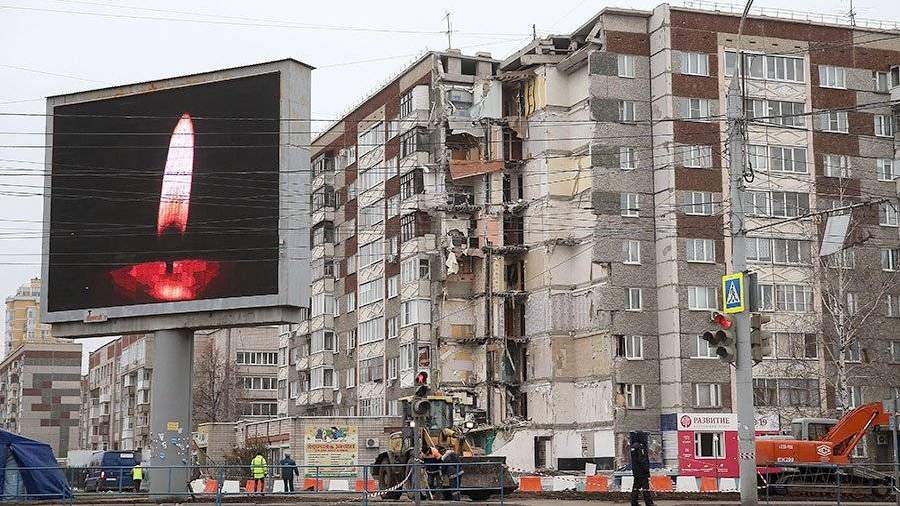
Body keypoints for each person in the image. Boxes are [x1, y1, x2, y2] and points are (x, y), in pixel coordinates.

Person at [629, 431, 654, 506]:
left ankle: (634, 502)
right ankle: (649, 503)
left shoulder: (633, 446)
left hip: (636, 471)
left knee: (635, 487)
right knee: (645, 488)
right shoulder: (640, 447)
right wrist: (646, 470)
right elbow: (642, 460)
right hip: (642, 472)